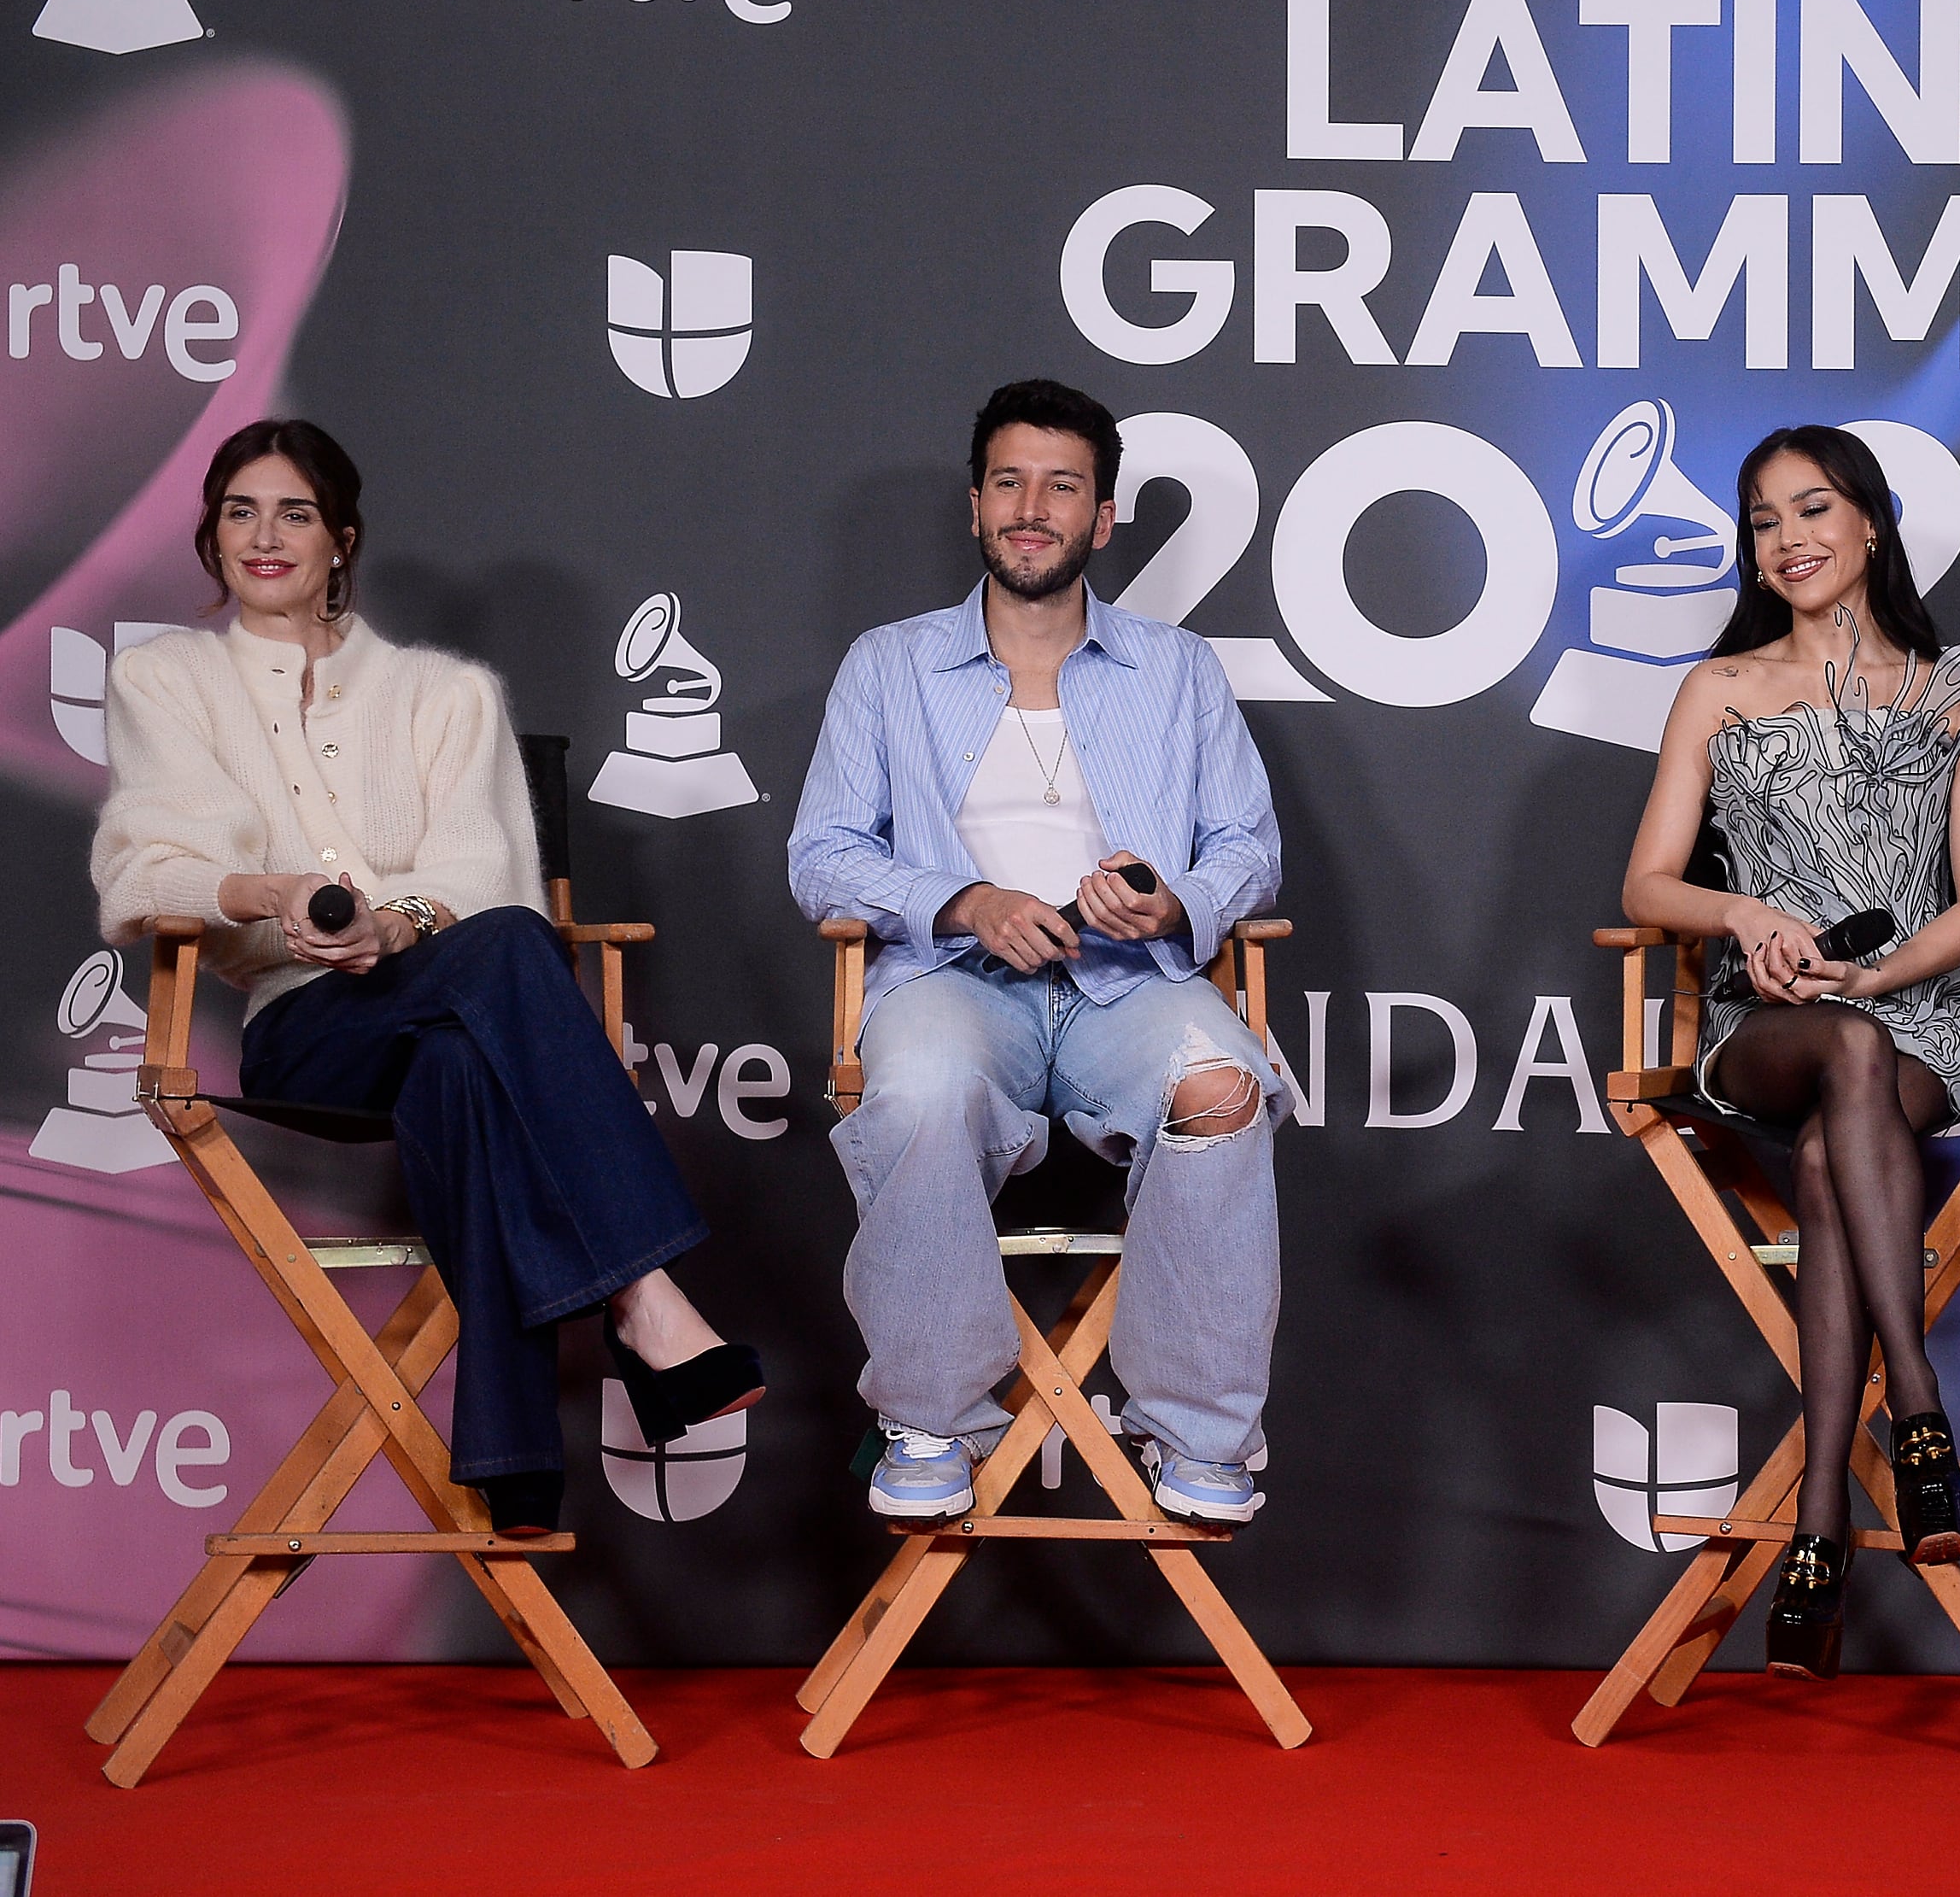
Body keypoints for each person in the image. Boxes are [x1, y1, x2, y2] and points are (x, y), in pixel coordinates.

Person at [91, 419, 763, 1537]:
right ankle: (648, 1299)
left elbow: (478, 869)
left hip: (436, 990)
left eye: (294, 512)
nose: (266, 535)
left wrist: (392, 928)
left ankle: (510, 1460)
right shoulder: (168, 684)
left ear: (341, 538)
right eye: (240, 511)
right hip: (306, 1033)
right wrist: (271, 897)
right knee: (499, 956)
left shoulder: (443, 694)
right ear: (210, 537)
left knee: (466, 1036)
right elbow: (145, 867)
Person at [788, 378, 1287, 1526]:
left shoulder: (1177, 668)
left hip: (1130, 986)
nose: (1032, 506)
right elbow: (820, 854)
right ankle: (927, 1416)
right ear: (973, 506)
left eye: (1062, 486)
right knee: (915, 1088)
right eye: (1008, 481)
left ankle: (1202, 1432)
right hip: (956, 982)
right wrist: (961, 900)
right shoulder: (890, 665)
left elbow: (1248, 849)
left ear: (1103, 518)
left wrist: (1171, 902)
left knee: (1221, 1085)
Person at [1618, 424, 1960, 1680]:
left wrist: (1878, 972)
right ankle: (1923, 1415)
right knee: (1836, 1053)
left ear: (1871, 524)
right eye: (1764, 521)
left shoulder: (1953, 693)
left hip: (1927, 1012)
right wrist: (1744, 914)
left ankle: (1820, 1532)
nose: (1788, 539)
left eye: (1813, 510)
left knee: (1844, 1157)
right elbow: (1644, 882)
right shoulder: (1719, 689)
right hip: (1764, 1020)